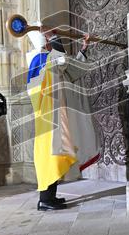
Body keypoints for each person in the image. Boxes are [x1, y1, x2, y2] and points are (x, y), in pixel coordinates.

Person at [26, 26, 100, 211]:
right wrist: (55, 38)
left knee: (57, 155)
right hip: (48, 118)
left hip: (57, 115)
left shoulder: (51, 60)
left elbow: (70, 69)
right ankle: (45, 199)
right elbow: (59, 63)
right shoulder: (39, 59)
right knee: (51, 157)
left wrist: (85, 47)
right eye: (49, 42)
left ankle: (50, 196)